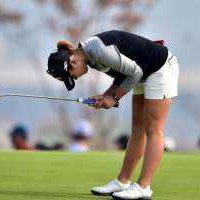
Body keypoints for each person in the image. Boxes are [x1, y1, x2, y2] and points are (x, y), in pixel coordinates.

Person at [47, 30, 179, 200]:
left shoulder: (97, 50)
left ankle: (144, 187)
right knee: (138, 127)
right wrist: (106, 95)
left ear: (72, 60)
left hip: (159, 68)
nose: (75, 78)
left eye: (71, 75)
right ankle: (122, 181)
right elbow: (124, 71)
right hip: (143, 71)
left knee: (154, 129)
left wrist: (114, 97)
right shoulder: (90, 57)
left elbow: (134, 72)